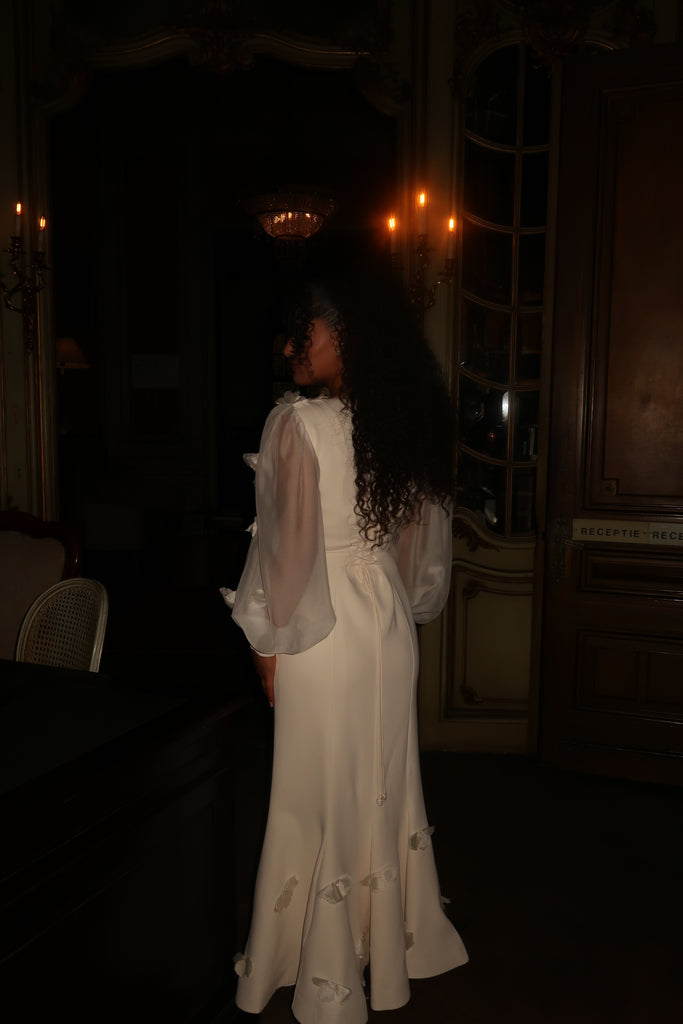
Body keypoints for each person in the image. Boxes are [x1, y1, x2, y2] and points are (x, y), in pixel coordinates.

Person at [222, 256, 468, 1023]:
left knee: (316, 792)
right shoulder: (402, 424)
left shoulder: (298, 423)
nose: (292, 345)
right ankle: (378, 948)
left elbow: (285, 554)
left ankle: (323, 963)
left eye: (305, 329)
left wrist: (266, 644)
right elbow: (416, 556)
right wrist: (382, 591)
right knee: (378, 784)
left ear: (345, 332)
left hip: (322, 633)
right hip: (383, 625)